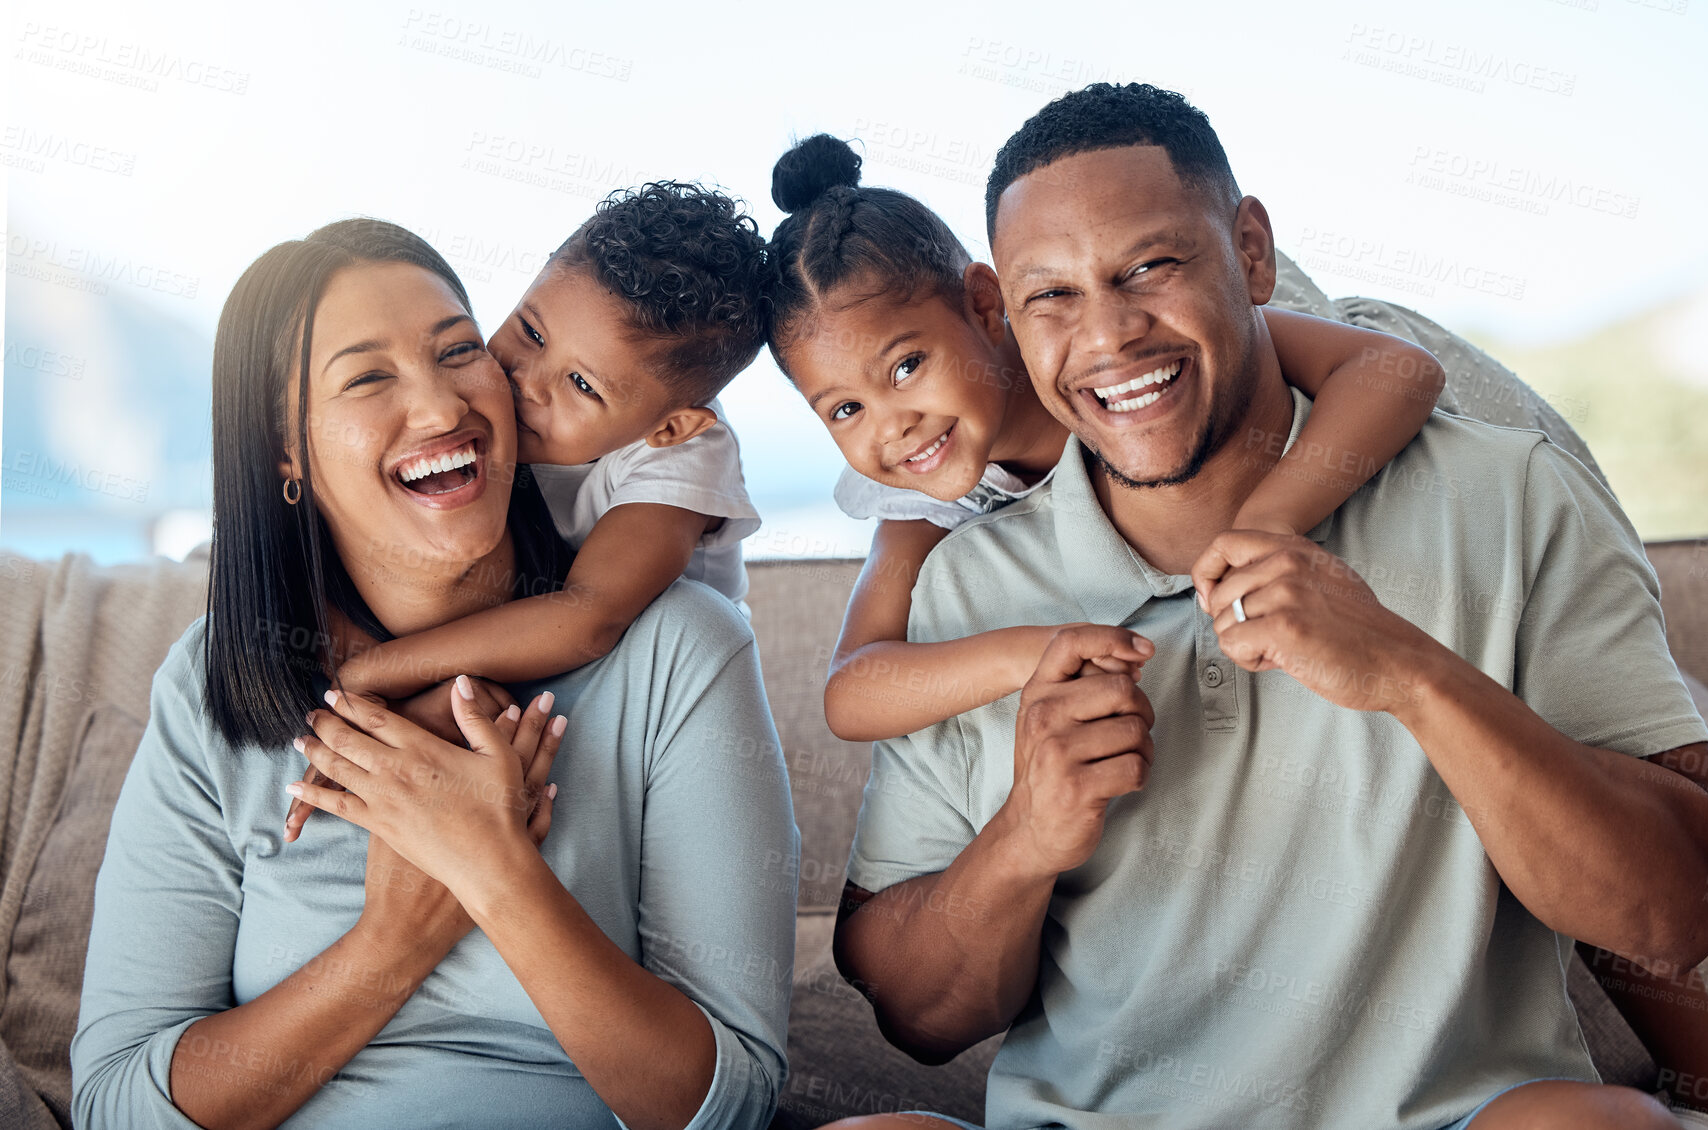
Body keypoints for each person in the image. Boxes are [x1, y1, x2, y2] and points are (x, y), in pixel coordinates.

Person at [823, 84, 1708, 1130]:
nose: (1110, 337)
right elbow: (916, 1014)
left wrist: (1412, 675)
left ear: (1251, 252)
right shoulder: (957, 589)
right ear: (1001, 307)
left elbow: (1675, 911)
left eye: (1149, 268)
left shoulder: (1506, 493)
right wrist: (1024, 837)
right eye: (1053, 296)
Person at [71, 218, 798, 1130]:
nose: (442, 408)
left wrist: (491, 867)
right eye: (369, 377)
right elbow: (115, 1108)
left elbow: (730, 1102)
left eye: (458, 352)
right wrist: (395, 938)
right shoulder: (216, 681)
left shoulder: (679, 651)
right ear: (285, 451)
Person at [762, 133, 1447, 745]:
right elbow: (852, 691)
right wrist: (1033, 651)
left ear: (983, 303)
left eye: (907, 367)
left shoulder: (1108, 354)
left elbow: (1394, 368)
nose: (891, 424)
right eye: (844, 409)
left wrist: (1269, 522)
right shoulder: (928, 498)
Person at [313, 183, 766, 712]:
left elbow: (588, 618)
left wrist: (373, 674)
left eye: (582, 385)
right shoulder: (496, 412)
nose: (527, 381)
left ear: (670, 428)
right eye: (532, 333)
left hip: (655, 689)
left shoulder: (688, 454)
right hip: (517, 646)